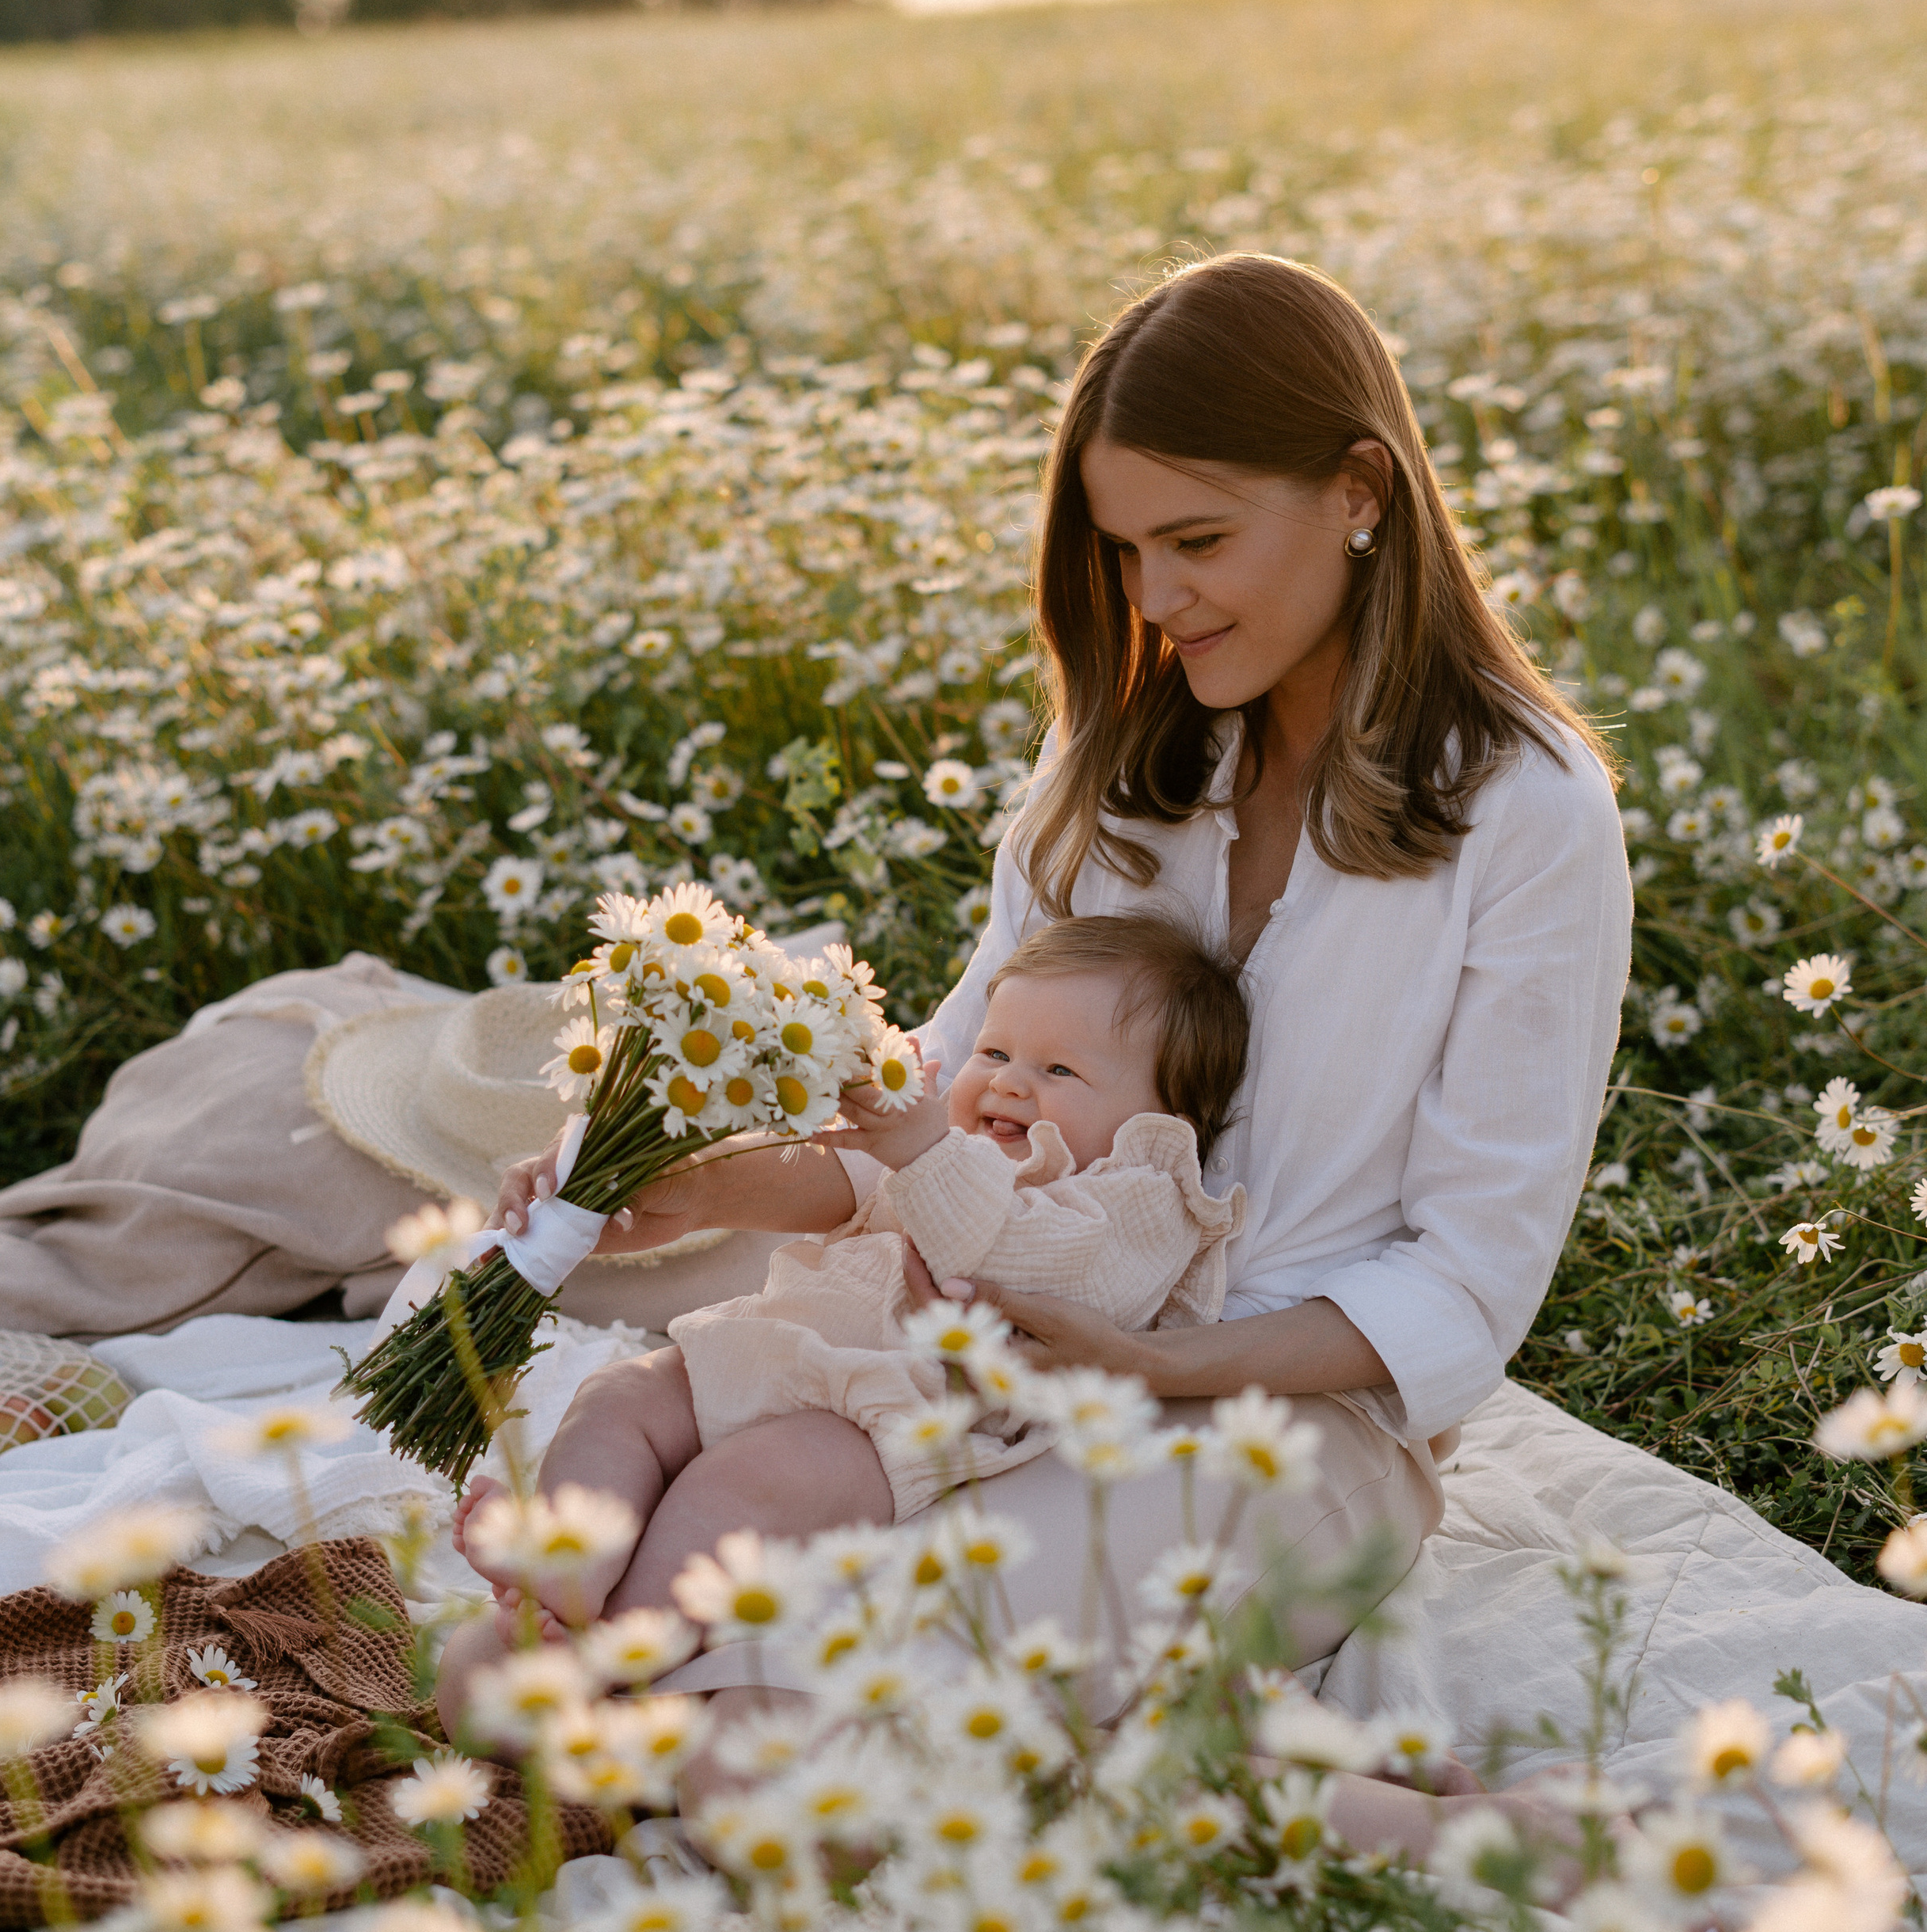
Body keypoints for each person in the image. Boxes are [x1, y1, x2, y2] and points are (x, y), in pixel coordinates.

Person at [474, 251, 1632, 1829]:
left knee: (783, 1701)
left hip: (1282, 1434)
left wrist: (1154, 1365)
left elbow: (1468, 1276)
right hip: (976, 1373)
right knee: (644, 1594)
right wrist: (705, 1187)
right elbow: (950, 1102)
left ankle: (1473, 1845)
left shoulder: (1525, 815)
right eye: (1124, 550)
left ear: (1360, 490)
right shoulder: (1125, 764)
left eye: (1197, 541)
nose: (1152, 601)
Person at [435, 915, 1248, 1722]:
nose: (1006, 1082)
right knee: (620, 1395)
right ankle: (565, 1576)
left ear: (1164, 1116)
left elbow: (1016, 1258)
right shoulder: (954, 1150)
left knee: (739, 1485)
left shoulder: (1141, 1198)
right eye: (994, 1053)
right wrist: (657, 1173)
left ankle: (614, 1666)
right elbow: (838, 1175)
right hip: (768, 1354)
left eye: (1059, 1069)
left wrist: (927, 1147)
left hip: (883, 1419)